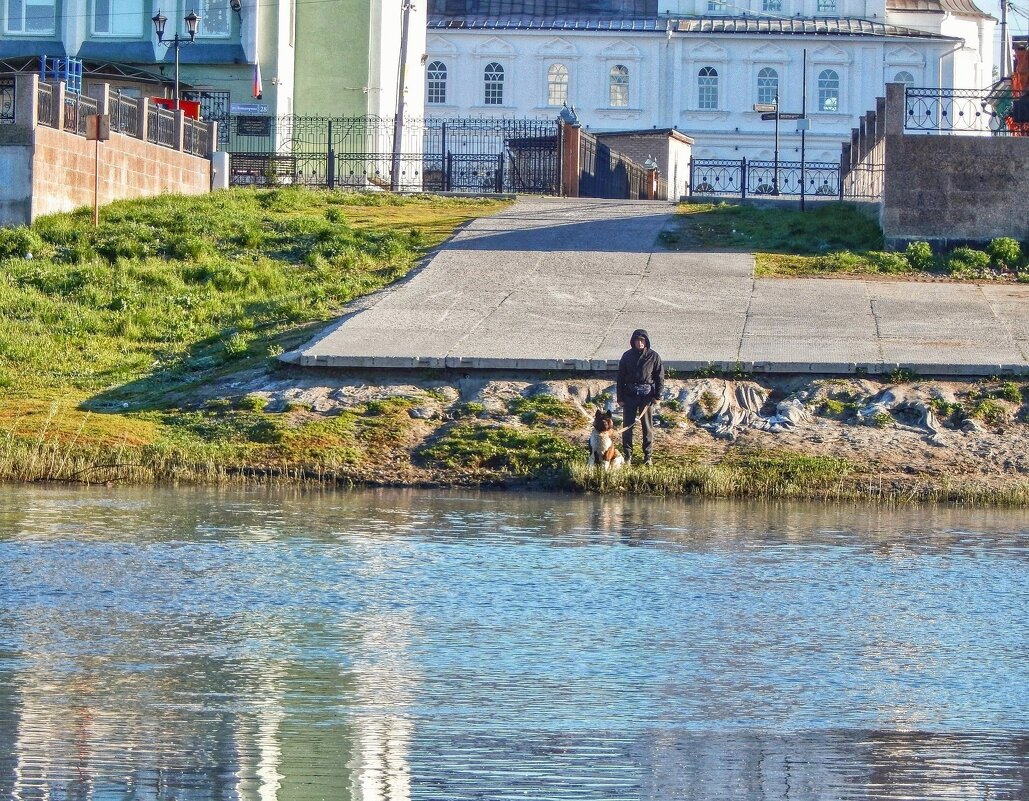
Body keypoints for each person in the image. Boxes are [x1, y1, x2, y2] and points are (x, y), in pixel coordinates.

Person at [616, 328, 664, 466]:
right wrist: (620, 398)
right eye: (637, 340)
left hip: (646, 397)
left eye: (642, 340)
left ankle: (648, 456)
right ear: (633, 341)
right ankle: (627, 455)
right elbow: (620, 378)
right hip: (629, 395)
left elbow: (659, 377)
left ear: (646, 341)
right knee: (627, 426)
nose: (640, 343)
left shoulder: (654, 356)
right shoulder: (627, 356)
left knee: (647, 427)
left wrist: (657, 395)